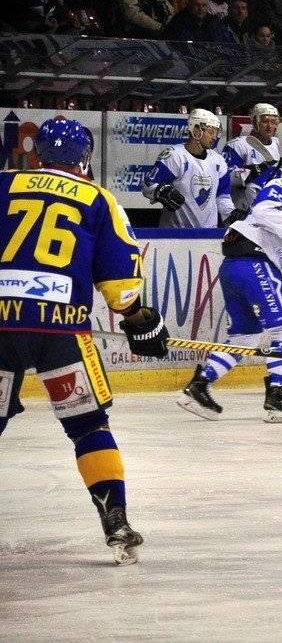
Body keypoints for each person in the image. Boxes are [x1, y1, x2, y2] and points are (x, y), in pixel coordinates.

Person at [0, 118, 170, 565]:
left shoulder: (4, 184)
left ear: (34, 156)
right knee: (88, 426)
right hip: (61, 331)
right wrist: (139, 319)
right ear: (85, 159)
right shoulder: (98, 199)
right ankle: (115, 519)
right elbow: (120, 285)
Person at [178, 151, 282, 422]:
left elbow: (281, 249)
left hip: (234, 266)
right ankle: (276, 396)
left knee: (245, 337)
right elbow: (263, 210)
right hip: (254, 263)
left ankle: (198, 386)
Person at [142, 108, 233, 228]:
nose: (214, 137)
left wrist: (232, 215)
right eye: (211, 132)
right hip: (176, 235)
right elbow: (148, 185)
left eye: (216, 132)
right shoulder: (175, 156)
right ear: (195, 129)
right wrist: (160, 191)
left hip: (209, 236)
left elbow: (223, 197)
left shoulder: (218, 160)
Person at [223, 102, 282, 211]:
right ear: (255, 122)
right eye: (265, 122)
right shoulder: (238, 145)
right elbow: (226, 178)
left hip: (275, 208)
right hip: (245, 209)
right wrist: (253, 171)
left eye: (273, 122)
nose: (269, 126)